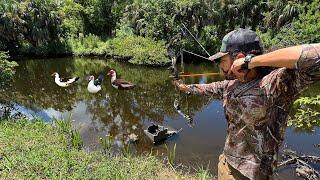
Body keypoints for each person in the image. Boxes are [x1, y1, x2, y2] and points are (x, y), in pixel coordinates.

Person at [174, 28, 320, 180]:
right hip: (226, 163)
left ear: (239, 58)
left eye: (222, 61)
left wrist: (251, 61)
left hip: (253, 175)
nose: (220, 67)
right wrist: (183, 87)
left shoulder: (274, 84)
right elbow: (205, 88)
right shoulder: (230, 86)